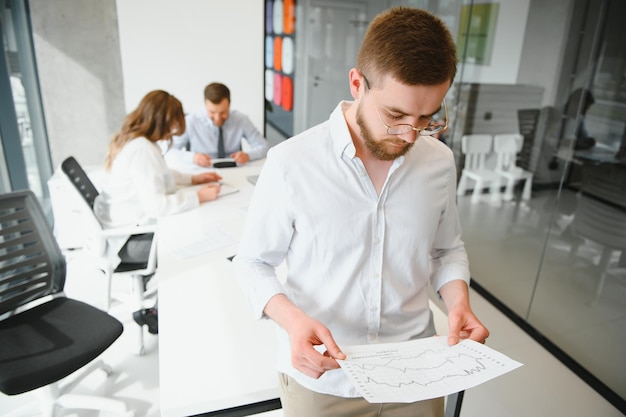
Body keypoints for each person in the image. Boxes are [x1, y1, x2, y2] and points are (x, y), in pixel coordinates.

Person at [233, 7, 489, 417]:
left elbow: (446, 250)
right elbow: (252, 262)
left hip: (416, 370)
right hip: (326, 378)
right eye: (395, 115)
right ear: (357, 83)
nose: (410, 134)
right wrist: (294, 323)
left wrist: (458, 302)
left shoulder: (439, 162)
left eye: (427, 118)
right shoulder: (291, 163)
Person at [94, 89, 222, 333]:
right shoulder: (142, 149)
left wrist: (193, 180)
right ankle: (159, 313)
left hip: (124, 231)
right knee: (189, 242)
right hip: (127, 244)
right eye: (172, 123)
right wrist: (199, 196)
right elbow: (158, 205)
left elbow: (159, 175)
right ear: (161, 119)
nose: (173, 129)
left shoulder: (138, 143)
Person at [169, 82, 269, 167]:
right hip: (202, 171)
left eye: (222, 112)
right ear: (205, 104)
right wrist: (193, 157)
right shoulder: (191, 121)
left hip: (234, 170)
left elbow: (264, 146)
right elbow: (169, 151)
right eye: (212, 112)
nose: (217, 118)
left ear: (229, 104)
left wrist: (248, 155)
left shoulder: (241, 119)